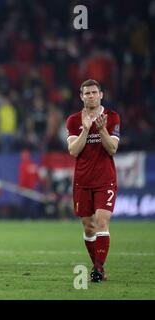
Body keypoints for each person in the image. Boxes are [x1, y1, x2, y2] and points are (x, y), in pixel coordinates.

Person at [66, 79, 120, 282]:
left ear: (101, 95)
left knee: (101, 221)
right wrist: (86, 130)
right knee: (89, 227)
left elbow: (112, 148)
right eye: (86, 93)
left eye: (94, 92)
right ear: (81, 97)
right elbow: (73, 151)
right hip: (82, 180)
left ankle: (98, 269)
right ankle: (98, 267)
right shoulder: (73, 120)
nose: (90, 96)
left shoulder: (112, 117)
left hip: (105, 180)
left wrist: (102, 129)